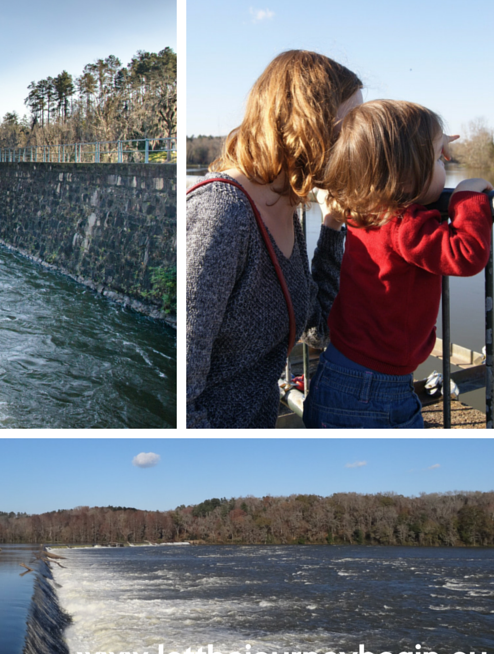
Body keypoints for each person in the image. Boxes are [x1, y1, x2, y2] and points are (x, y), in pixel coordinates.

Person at [187, 50, 363, 428]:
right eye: (351, 127)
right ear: (309, 124)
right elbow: (184, 388)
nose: (359, 143)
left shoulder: (286, 204)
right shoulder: (222, 214)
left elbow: (317, 329)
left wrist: (332, 228)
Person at [303, 100, 493, 428]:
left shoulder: (364, 206)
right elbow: (465, 255)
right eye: (436, 158)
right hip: (373, 390)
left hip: (339, 371)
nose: (444, 164)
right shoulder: (405, 224)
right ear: (406, 173)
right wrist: (467, 196)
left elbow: (383, 149)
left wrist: (433, 143)